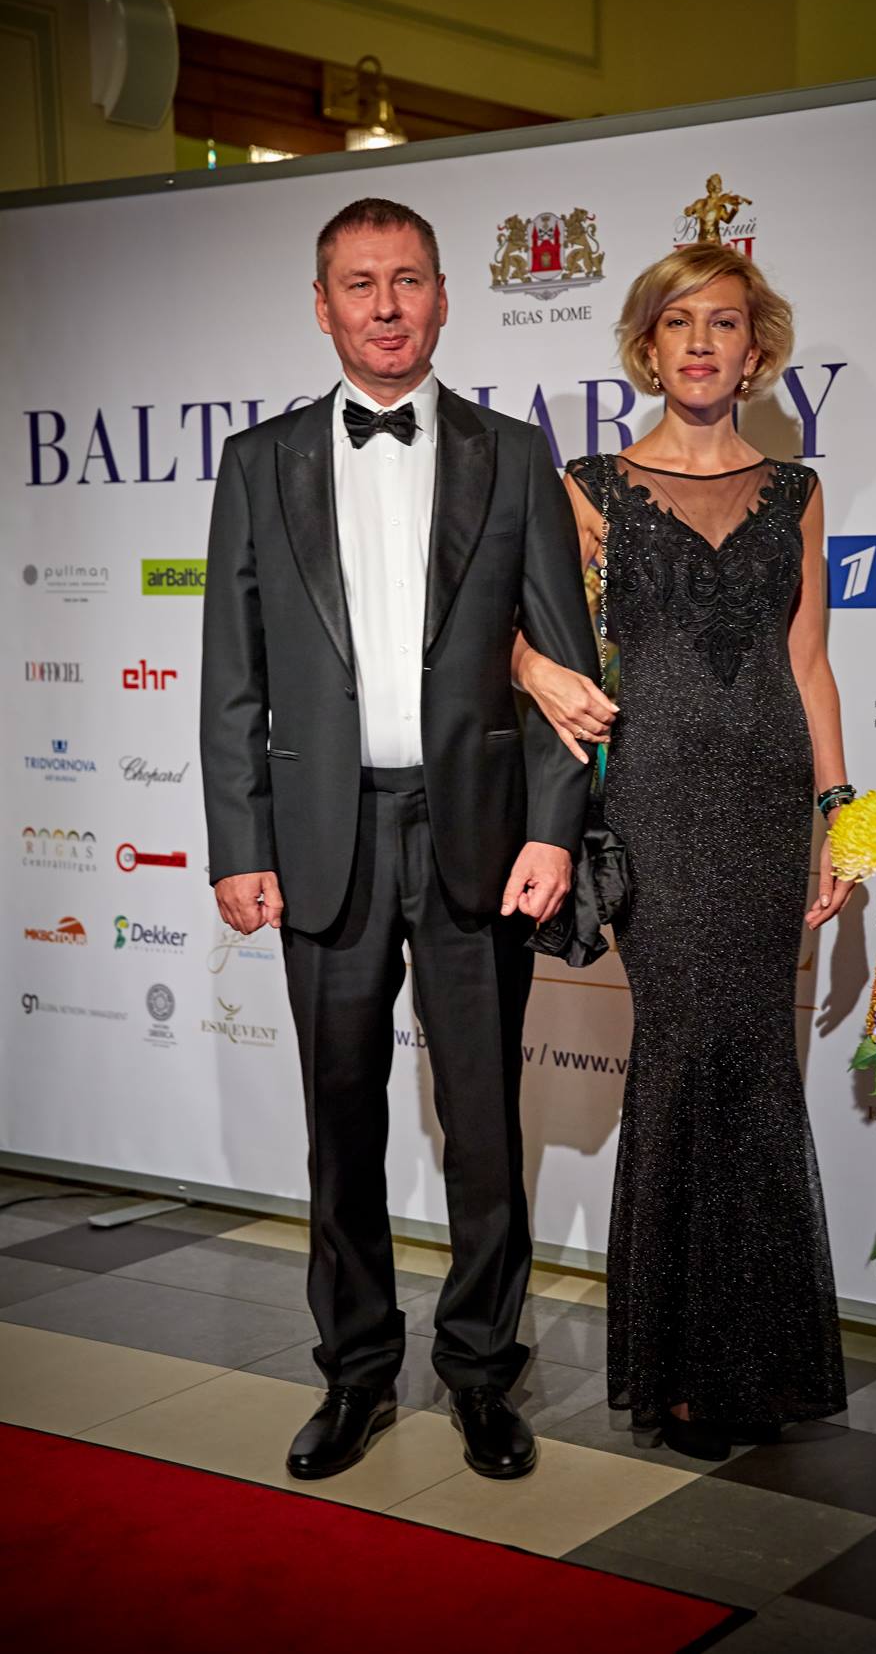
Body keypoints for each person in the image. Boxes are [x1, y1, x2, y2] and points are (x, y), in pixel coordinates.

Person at [200, 197, 598, 1482]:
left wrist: (554, 829)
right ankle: (355, 1372)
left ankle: (482, 1373)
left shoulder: (513, 456)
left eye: (408, 279)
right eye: (359, 283)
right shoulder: (258, 463)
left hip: (477, 830)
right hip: (324, 838)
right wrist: (237, 842)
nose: (385, 305)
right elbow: (232, 678)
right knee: (338, 1122)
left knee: (482, 1123)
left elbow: (562, 668)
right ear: (321, 306)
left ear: (442, 297)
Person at [513, 243, 855, 1460]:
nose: (700, 343)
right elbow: (510, 629)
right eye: (677, 323)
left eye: (722, 322)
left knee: (753, 1060)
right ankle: (677, 1365)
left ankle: (753, 1361)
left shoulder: (793, 489)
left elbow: (806, 661)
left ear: (754, 349)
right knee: (682, 1050)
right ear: (646, 347)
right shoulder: (588, 485)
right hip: (653, 794)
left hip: (765, 795)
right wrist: (535, 670)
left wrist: (838, 808)